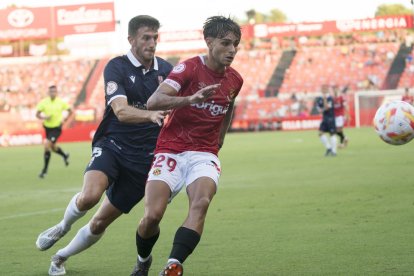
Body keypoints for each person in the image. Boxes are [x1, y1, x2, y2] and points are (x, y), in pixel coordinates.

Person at [35, 15, 172, 276]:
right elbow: (120, 111)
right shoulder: (117, 67)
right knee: (90, 196)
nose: (152, 42)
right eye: (146, 37)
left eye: (155, 37)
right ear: (131, 39)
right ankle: (63, 226)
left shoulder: (166, 70)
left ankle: (59, 258)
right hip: (112, 144)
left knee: (99, 222)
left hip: (145, 160)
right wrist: (150, 114)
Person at [130, 16, 243, 276]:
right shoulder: (189, 68)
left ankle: (174, 264)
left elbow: (229, 105)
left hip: (204, 153)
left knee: (200, 203)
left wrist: (221, 137)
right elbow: (153, 101)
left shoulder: (235, 79)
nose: (232, 50)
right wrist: (191, 99)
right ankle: (143, 259)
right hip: (170, 149)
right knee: (152, 216)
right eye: (225, 43)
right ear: (209, 41)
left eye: (235, 44)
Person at [36, 85, 72, 178]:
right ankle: (64, 155)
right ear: (48, 93)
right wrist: (44, 117)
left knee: (47, 145)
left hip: (57, 128)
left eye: (54, 91)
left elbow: (70, 111)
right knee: (52, 147)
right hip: (48, 128)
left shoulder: (60, 102)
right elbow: (37, 114)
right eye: (51, 91)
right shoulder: (44, 102)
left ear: (56, 92)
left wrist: (64, 119)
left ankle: (44, 171)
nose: (53, 93)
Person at [316, 84, 337, 156]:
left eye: (325, 88)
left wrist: (325, 100)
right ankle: (329, 148)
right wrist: (323, 108)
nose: (324, 90)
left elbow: (327, 108)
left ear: (327, 90)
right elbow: (319, 110)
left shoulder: (330, 98)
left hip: (331, 118)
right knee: (320, 133)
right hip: (325, 118)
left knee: (332, 134)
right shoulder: (319, 99)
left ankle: (334, 151)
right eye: (323, 88)